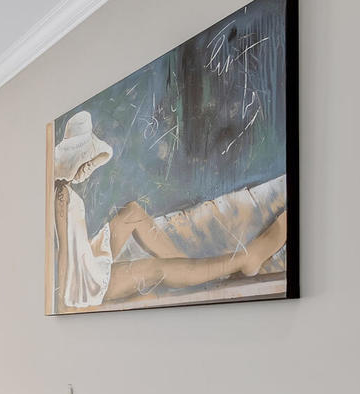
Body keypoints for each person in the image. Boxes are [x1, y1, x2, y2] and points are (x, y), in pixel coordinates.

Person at [52, 111, 286, 310]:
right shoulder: (61, 195)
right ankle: (245, 260)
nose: (90, 167)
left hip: (86, 259)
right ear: (74, 159)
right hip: (82, 283)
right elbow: (62, 251)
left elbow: (70, 245)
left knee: (132, 211)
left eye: (91, 161)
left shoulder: (64, 190)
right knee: (157, 270)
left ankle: (190, 269)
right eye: (87, 161)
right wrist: (63, 304)